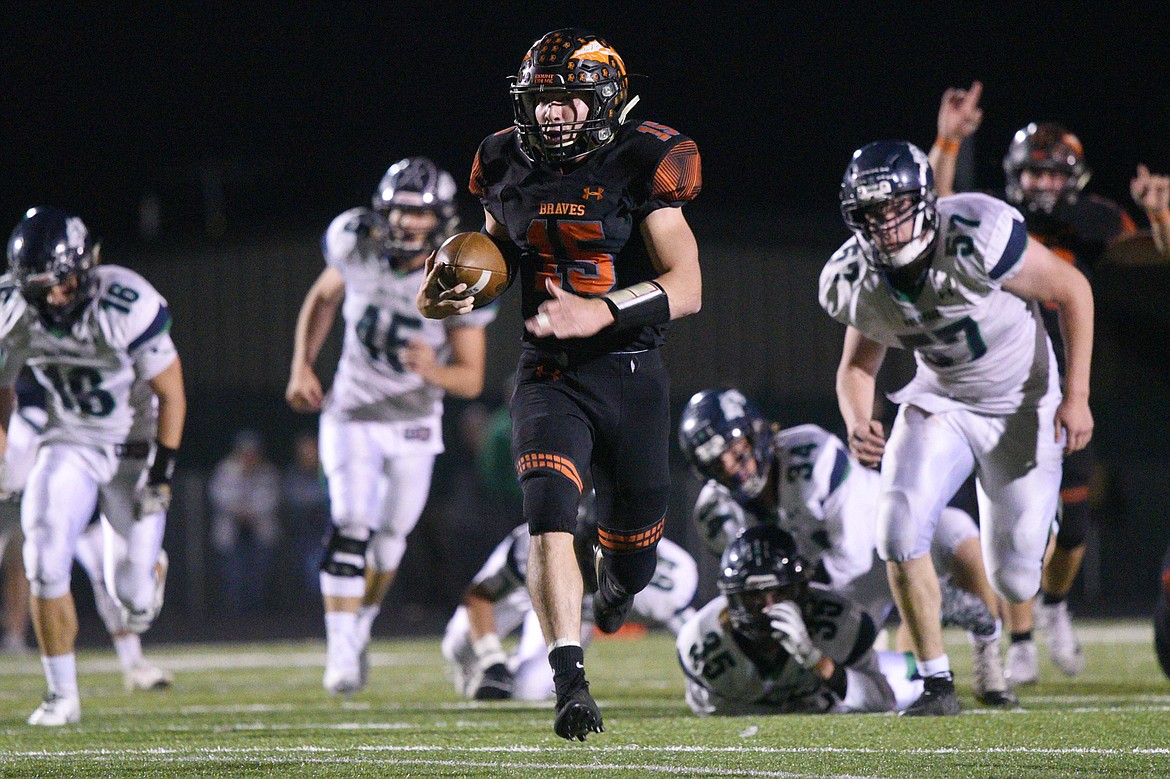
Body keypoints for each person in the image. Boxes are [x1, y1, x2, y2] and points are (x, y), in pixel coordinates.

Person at [417, 28, 702, 740]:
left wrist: (598, 310)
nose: (551, 114)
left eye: (568, 99)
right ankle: (569, 680)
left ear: (604, 101)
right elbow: (497, 256)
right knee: (547, 511)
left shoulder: (644, 159)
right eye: (541, 100)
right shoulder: (503, 159)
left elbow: (689, 284)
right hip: (549, 372)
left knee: (631, 560)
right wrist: (456, 290)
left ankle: (612, 589)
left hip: (631, 371)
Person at [819, 141, 1094, 716]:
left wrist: (1077, 396)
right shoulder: (858, 276)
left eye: (895, 207)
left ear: (924, 201)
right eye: (871, 213)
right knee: (895, 528)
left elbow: (1073, 290)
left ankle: (1014, 602)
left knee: (1018, 579)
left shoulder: (978, 232)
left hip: (1022, 404)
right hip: (940, 401)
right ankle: (937, 682)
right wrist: (857, 418)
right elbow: (857, 367)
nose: (885, 224)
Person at [928, 83, 1170, 684]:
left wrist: (1162, 213)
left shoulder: (1091, 221)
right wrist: (948, 141)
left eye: (1052, 174)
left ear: (1075, 178)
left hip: (1067, 379)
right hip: (1002, 383)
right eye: (1032, 174)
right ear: (1015, 176)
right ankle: (1021, 638)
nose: (1041, 186)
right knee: (1013, 521)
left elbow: (1154, 252)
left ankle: (1055, 608)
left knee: (1074, 522)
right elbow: (934, 210)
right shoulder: (994, 218)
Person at [286, 156, 494, 695]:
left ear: (441, 219)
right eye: (400, 210)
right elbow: (321, 297)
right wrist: (302, 364)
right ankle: (339, 650)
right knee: (352, 519)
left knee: (390, 541)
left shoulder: (460, 268)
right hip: (352, 411)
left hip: (415, 422)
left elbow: (471, 379)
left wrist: (433, 370)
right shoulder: (358, 244)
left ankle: (359, 626)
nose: (406, 223)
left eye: (419, 213)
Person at [677, 387, 1013, 707]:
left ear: (757, 433)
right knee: (863, 681)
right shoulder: (714, 513)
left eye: (738, 453)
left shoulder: (811, 455)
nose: (734, 471)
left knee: (957, 532)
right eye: (717, 465)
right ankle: (911, 666)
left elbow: (849, 556)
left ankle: (987, 649)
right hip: (827, 590)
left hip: (877, 550)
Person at [1, 206, 186, 725]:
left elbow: (172, 395)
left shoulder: (126, 301)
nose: (48, 298)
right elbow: (2, 388)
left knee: (134, 601)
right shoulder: (14, 309)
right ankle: (62, 695)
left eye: (56, 284)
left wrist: (162, 473)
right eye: (34, 287)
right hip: (70, 440)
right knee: (43, 558)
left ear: (82, 268)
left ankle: (150, 569)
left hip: (134, 444)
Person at [441, 502, 697, 702]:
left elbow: (693, 635)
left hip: (575, 618)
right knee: (458, 646)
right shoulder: (538, 547)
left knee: (526, 689)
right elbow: (480, 596)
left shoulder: (668, 579)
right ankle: (494, 666)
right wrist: (491, 661)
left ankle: (513, 666)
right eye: (590, 547)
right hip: (535, 591)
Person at [678, 524, 924, 716]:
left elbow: (882, 699)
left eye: (780, 592)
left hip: (864, 668)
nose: (768, 605)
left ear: (802, 589)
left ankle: (914, 666)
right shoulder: (701, 642)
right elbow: (712, 709)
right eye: (753, 595)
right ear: (731, 597)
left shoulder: (840, 620)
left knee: (916, 685)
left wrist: (816, 660)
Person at [207, 429, 281, 614]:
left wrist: (250, 512)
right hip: (232, 531)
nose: (249, 456)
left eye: (253, 452)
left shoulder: (267, 472)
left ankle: (257, 614)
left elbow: (271, 499)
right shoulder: (225, 470)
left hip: (259, 530)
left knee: (259, 575)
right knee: (233, 574)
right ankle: (234, 616)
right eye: (245, 451)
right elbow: (218, 496)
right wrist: (239, 511)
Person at [280, 430, 331, 600]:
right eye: (305, 449)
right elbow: (294, 498)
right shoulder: (293, 473)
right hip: (300, 531)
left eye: (312, 448)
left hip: (326, 530)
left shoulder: (328, 470)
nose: (309, 453)